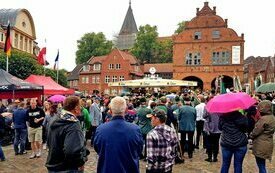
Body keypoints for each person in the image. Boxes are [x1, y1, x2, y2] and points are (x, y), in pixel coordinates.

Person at [94, 96, 144, 173]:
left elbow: (98, 149)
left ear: (110, 111)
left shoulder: (101, 129)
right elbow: (138, 150)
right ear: (126, 110)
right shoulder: (135, 129)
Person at [46, 96, 89, 173]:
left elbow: (49, 141)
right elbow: (72, 151)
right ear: (75, 108)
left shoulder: (55, 118)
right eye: (80, 106)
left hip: (53, 164)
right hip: (67, 168)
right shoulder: (73, 124)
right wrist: (80, 162)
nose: (81, 108)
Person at [146, 109, 178, 173]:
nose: (151, 120)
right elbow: (174, 149)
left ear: (157, 119)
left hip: (155, 169)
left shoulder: (151, 134)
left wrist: (148, 168)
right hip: (168, 167)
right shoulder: (172, 130)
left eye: (152, 118)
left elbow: (151, 157)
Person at [250, 100, 275, 173]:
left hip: (261, 144)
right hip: (268, 142)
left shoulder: (264, 119)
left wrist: (251, 135)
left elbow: (256, 131)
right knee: (262, 164)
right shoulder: (272, 117)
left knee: (261, 165)